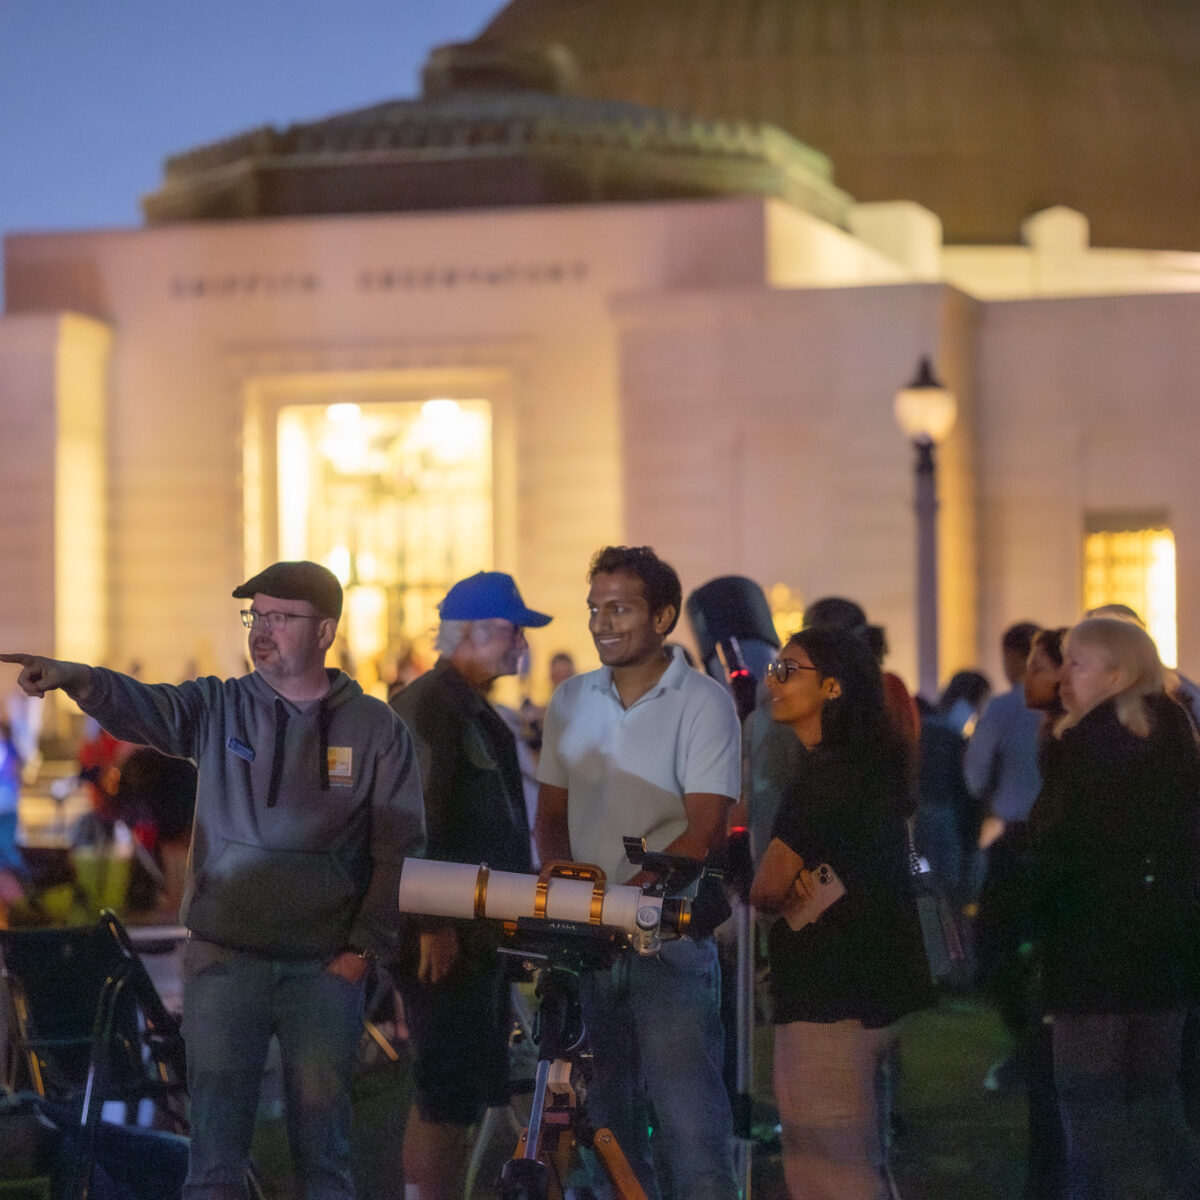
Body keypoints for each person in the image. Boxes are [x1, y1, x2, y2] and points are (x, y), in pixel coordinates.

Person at [1, 560, 426, 1200]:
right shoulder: (220, 706)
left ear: (325, 631)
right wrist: (78, 679)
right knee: (214, 1161)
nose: (263, 630)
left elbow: (400, 847)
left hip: (324, 971)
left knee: (325, 1159)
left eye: (281, 617)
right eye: (256, 615)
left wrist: (363, 947)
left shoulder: (375, 729)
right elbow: (147, 707)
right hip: (224, 965)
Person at [535, 545, 740, 1200]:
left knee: (690, 1126)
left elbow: (705, 825)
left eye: (619, 608)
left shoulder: (703, 704)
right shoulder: (569, 699)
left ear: (664, 616)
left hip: (668, 939)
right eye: (595, 608)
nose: (601, 623)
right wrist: (568, 891)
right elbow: (550, 817)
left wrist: (625, 900)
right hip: (589, 942)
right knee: (607, 1124)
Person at [749, 626, 934, 1200]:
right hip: (873, 988)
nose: (771, 682)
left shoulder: (826, 776)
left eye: (789, 671)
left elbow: (767, 885)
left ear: (832, 687)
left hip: (829, 995)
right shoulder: (870, 765)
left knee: (826, 1170)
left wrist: (776, 891)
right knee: (860, 1162)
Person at [388, 571, 551, 1200]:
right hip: (446, 939)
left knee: (457, 1095)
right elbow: (413, 822)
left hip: (473, 935)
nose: (522, 646)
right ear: (476, 633)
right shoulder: (433, 707)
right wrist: (434, 925)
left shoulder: (467, 707)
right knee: (444, 1095)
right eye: (514, 632)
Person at [1029, 616, 1200, 1197]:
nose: (1062, 678)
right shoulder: (1176, 734)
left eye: (1075, 663)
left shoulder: (1083, 746)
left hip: (1091, 955)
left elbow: (1058, 853)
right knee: (1157, 1108)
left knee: (1091, 1116)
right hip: (1164, 953)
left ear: (1116, 673)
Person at [963, 622, 1043, 1089]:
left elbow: (975, 772)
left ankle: (1023, 1041)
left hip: (1015, 837)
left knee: (997, 940)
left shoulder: (1008, 706)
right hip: (1063, 836)